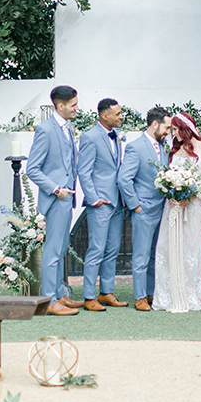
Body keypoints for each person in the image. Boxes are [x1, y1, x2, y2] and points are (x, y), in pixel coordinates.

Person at [26, 85, 84, 316]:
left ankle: (60, 294)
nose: (76, 108)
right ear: (60, 106)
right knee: (52, 251)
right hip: (57, 197)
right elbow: (32, 169)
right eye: (73, 105)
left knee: (60, 249)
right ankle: (49, 300)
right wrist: (56, 189)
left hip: (67, 198)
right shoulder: (46, 130)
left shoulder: (66, 127)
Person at [154, 112, 201, 313]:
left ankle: (191, 294)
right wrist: (169, 191)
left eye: (175, 129)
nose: (173, 133)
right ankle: (166, 295)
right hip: (172, 206)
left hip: (193, 206)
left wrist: (190, 196)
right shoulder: (175, 149)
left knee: (190, 248)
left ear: (185, 128)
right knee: (166, 246)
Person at [118, 107, 172, 312]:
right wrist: (136, 206)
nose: (168, 132)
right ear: (155, 124)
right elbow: (124, 179)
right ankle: (140, 296)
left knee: (154, 254)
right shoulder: (135, 147)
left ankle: (151, 293)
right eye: (166, 127)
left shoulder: (164, 146)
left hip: (162, 208)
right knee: (140, 255)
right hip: (144, 209)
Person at [77, 98, 129, 311]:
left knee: (112, 249)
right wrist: (94, 198)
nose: (121, 117)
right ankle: (89, 297)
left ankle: (106, 292)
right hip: (100, 203)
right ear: (104, 115)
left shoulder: (116, 136)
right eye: (117, 114)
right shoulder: (90, 137)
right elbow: (84, 171)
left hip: (117, 201)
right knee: (96, 249)